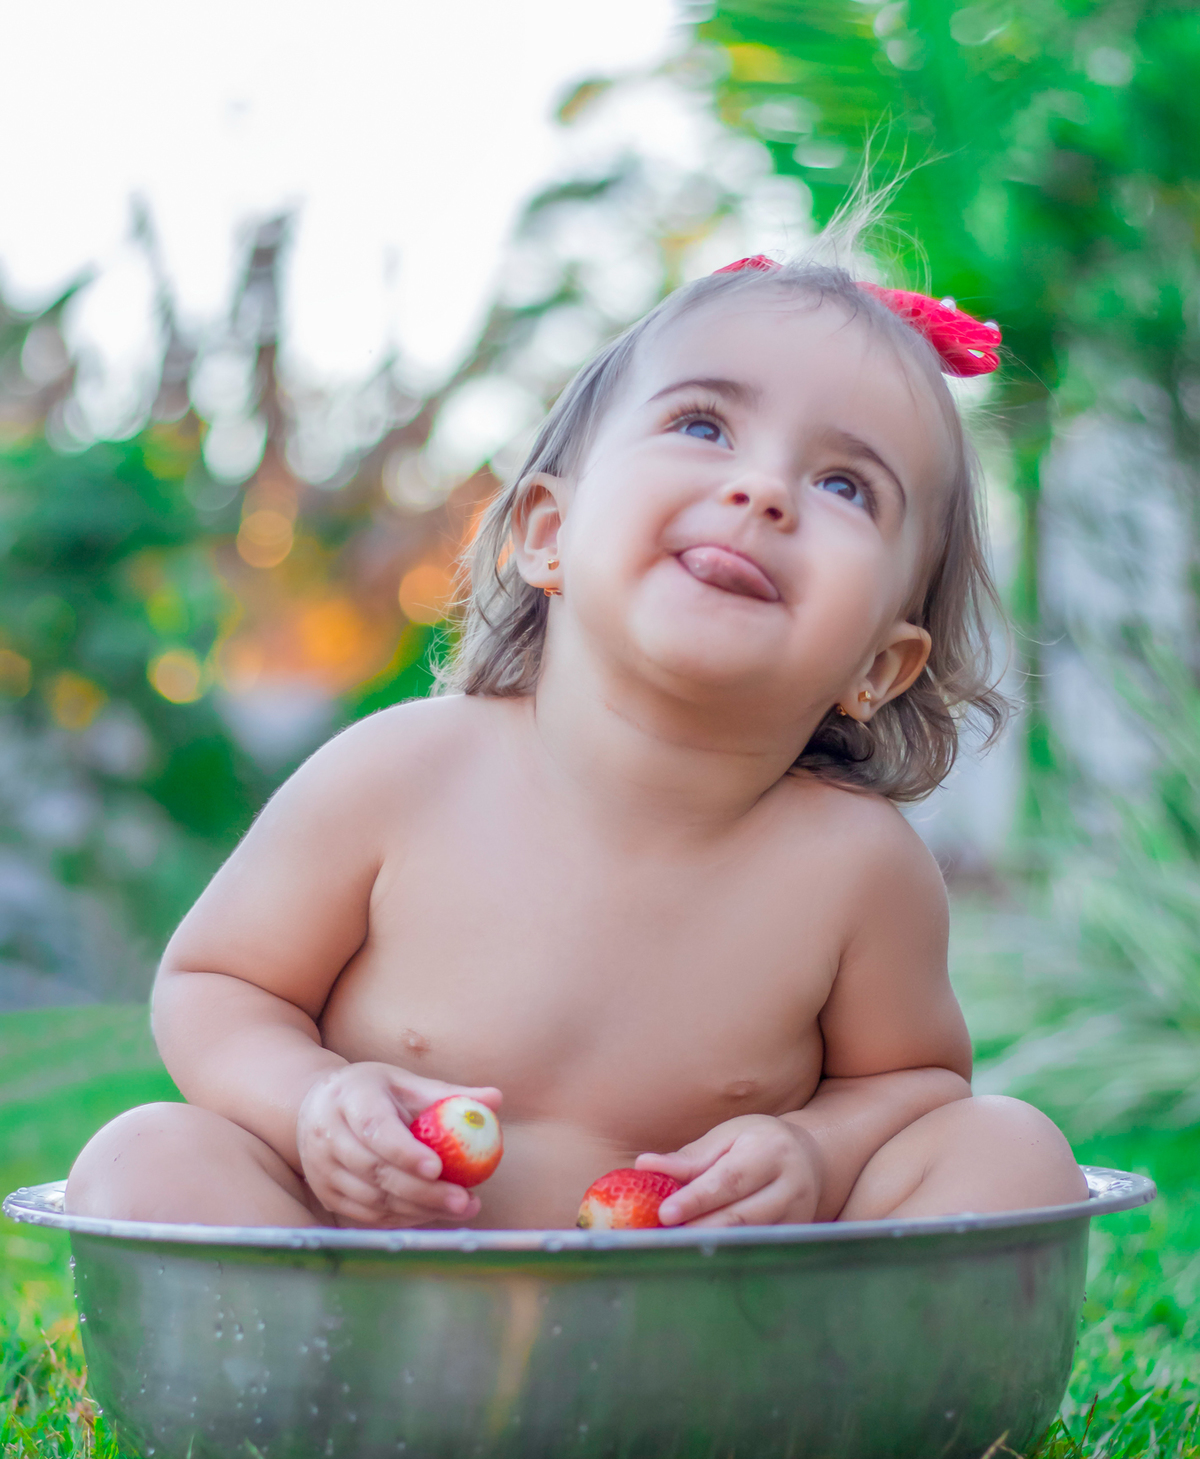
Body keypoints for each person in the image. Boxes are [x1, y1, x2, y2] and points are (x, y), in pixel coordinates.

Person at [67, 250, 1086, 1232]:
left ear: (880, 665)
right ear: (548, 533)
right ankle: (328, 1395)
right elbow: (215, 985)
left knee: (1010, 1151)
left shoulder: (857, 869)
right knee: (144, 1156)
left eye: (846, 488)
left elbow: (912, 1083)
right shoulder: (400, 774)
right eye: (703, 424)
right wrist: (313, 1103)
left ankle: (819, 1403)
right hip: (376, 1300)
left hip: (704, 1340)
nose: (765, 491)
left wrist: (816, 1152)